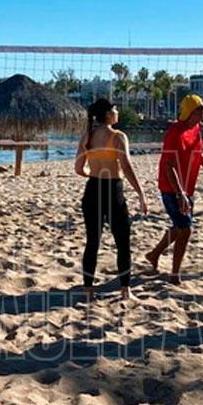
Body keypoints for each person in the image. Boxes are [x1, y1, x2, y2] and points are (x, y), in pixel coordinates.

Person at [75, 98, 148, 300]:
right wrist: (141, 193)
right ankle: (125, 290)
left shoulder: (87, 136)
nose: (117, 112)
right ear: (108, 114)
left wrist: (93, 174)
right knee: (122, 242)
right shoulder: (118, 136)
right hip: (113, 190)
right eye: (115, 109)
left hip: (92, 189)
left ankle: (88, 290)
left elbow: (78, 168)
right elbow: (127, 167)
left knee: (92, 242)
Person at [145, 94, 203, 284]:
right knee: (185, 229)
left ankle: (154, 254)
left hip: (187, 186)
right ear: (191, 112)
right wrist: (180, 194)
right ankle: (175, 274)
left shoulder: (196, 128)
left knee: (179, 227)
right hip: (171, 186)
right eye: (201, 109)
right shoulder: (175, 132)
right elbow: (168, 166)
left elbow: (197, 153)